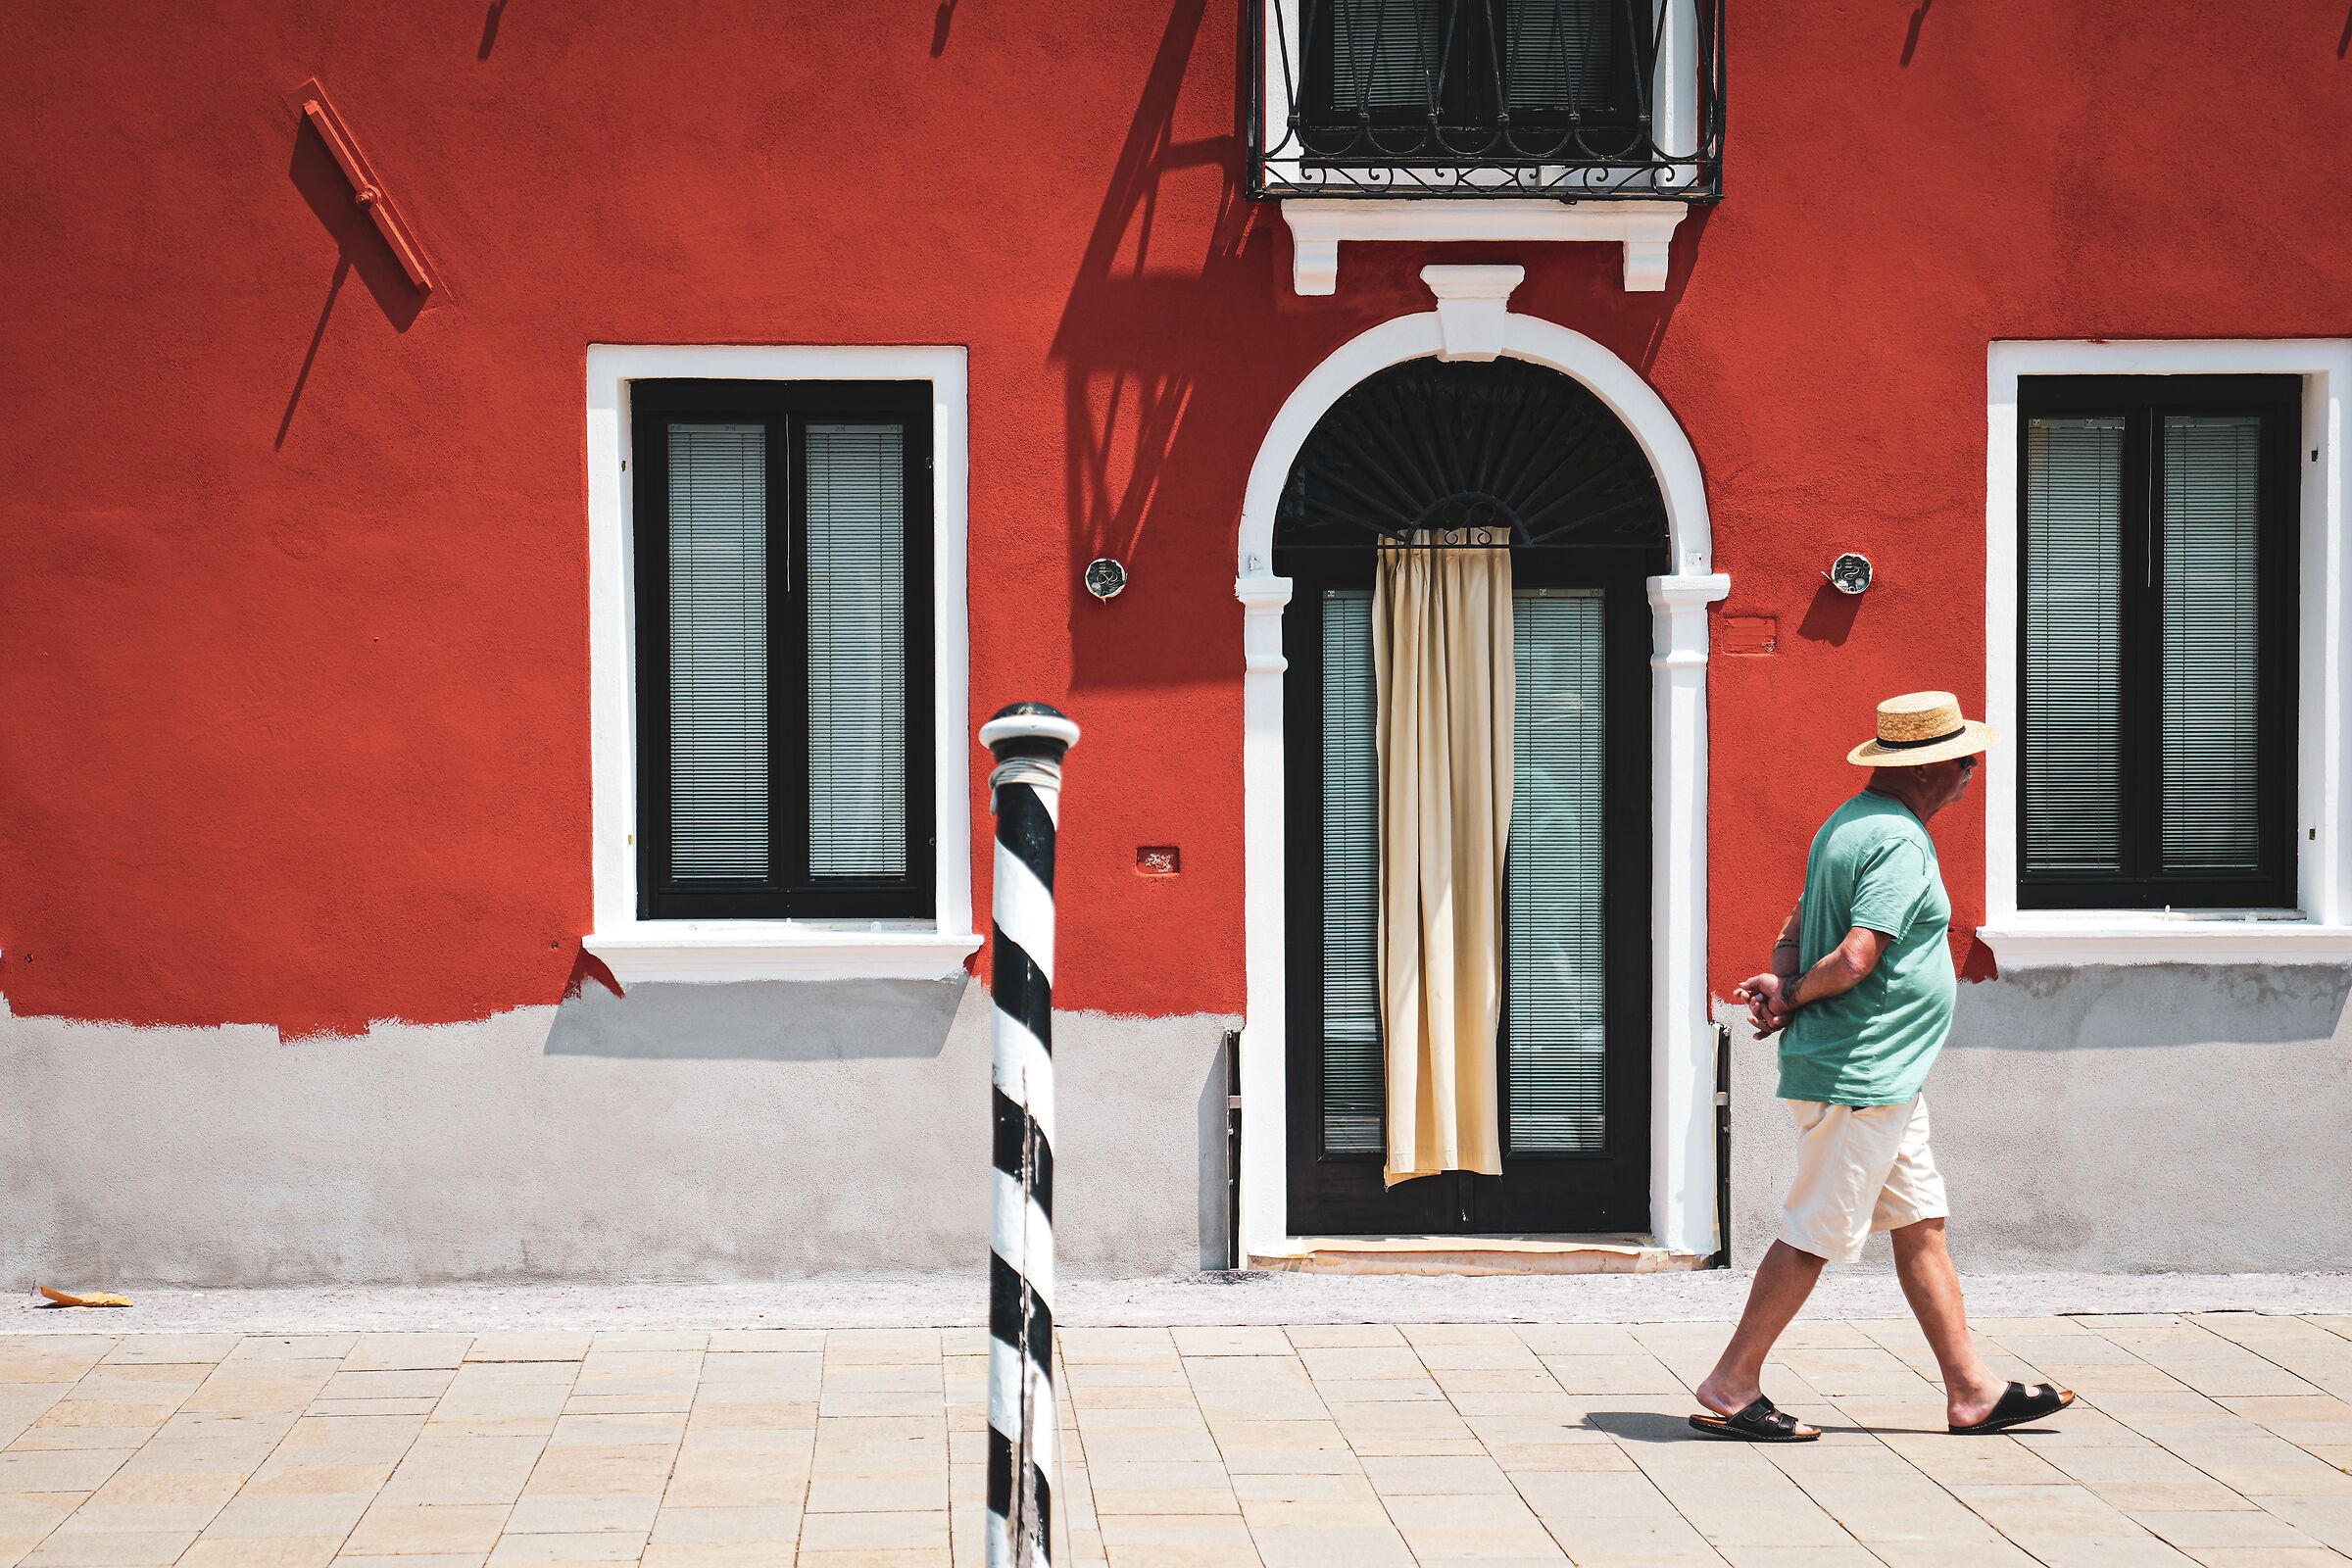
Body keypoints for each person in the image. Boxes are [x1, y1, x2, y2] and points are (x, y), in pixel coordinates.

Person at [1688, 691, 2075, 1442]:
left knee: (1921, 1225)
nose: (1972, 771)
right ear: (1930, 767)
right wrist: (1796, 992)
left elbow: (1797, 924)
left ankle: (1972, 1392)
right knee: (1815, 1230)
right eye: (1964, 760)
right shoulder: (1898, 841)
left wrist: (1782, 989)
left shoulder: (1848, 824)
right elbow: (1860, 954)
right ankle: (1733, 1383)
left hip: (1883, 1076)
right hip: (1861, 1075)